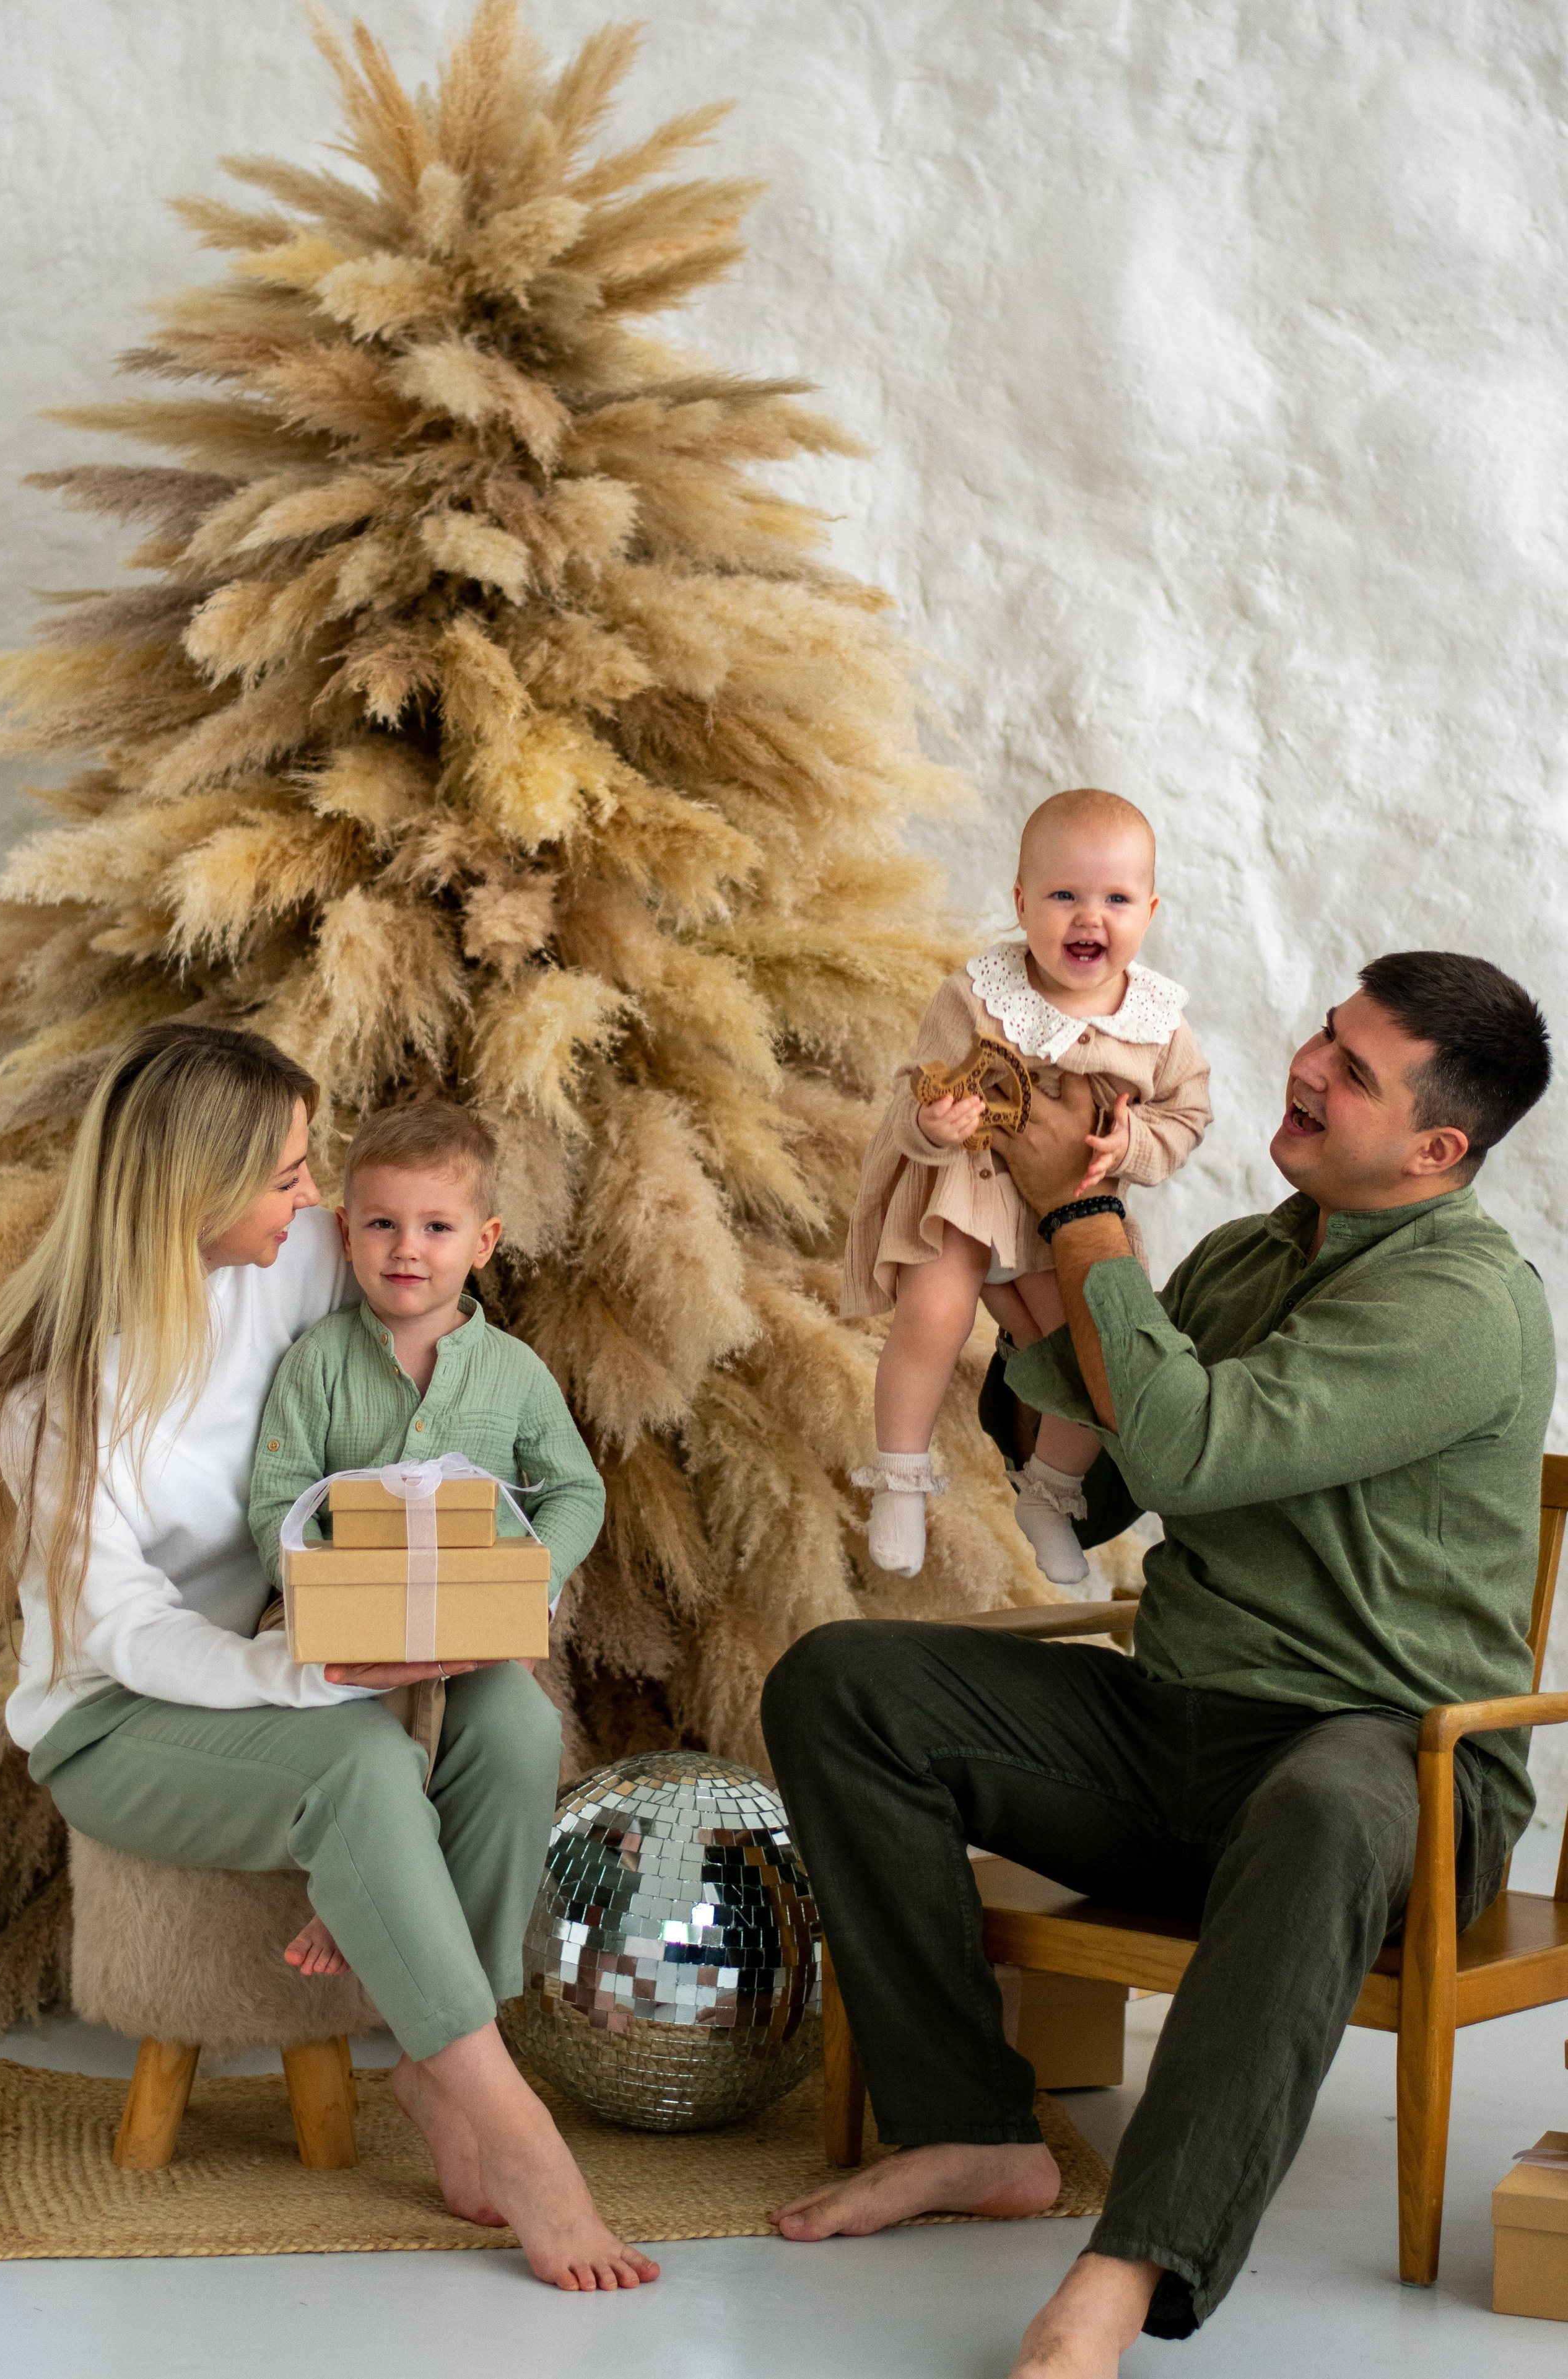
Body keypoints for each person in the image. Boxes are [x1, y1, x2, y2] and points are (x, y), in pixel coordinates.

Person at [763, 950, 1553, 2375]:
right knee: (842, 1681)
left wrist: (1083, 1212)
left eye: (1352, 1071)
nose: (1305, 1066)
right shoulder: (1257, 1249)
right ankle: (968, 2128)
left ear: (1437, 1148)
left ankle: (1127, 2268)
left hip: (1387, 1769)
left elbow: (1183, 1443)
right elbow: (1115, 1482)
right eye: (1325, 1032)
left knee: (1322, 1801)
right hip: (1173, 1737)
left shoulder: (1463, 1304)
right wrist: (1007, 1262)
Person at [0, 1022, 658, 2294]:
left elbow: (432, 1325)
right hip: (120, 1720)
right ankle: (517, 2136)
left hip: (299, 1657)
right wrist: (299, 1670)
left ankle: (436, 2064)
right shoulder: (54, 1396)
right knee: (355, 1764)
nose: (319, 1199)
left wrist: (472, 1577)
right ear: (198, 1183)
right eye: (292, 1173)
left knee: (511, 1723)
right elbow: (121, 1626)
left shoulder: (292, 1264)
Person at [248, 1097, 604, 1981]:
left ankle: (477, 1999)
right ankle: (356, 1894)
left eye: (436, 1226)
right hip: (349, 1621)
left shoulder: (514, 1373)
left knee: (524, 1731)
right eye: (382, 1223)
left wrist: (532, 1584)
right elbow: (277, 1500)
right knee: (372, 1715)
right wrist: (315, 1587)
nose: (407, 1247)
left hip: (470, 1626)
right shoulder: (318, 1362)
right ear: (345, 1232)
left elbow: (574, 1489)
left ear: (482, 1242)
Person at [840, 788, 1210, 1583]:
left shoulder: (1158, 1022)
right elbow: (916, 1089)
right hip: (969, 1193)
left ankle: (1050, 1490)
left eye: (1115, 898)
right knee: (931, 1314)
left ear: (1148, 911)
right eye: (1063, 895)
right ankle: (900, 1477)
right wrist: (931, 1126)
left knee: (1091, 1357)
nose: (1089, 917)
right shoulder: (977, 995)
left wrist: (1132, 1140)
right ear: (1019, 903)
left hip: (1068, 1215)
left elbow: (1188, 1116)